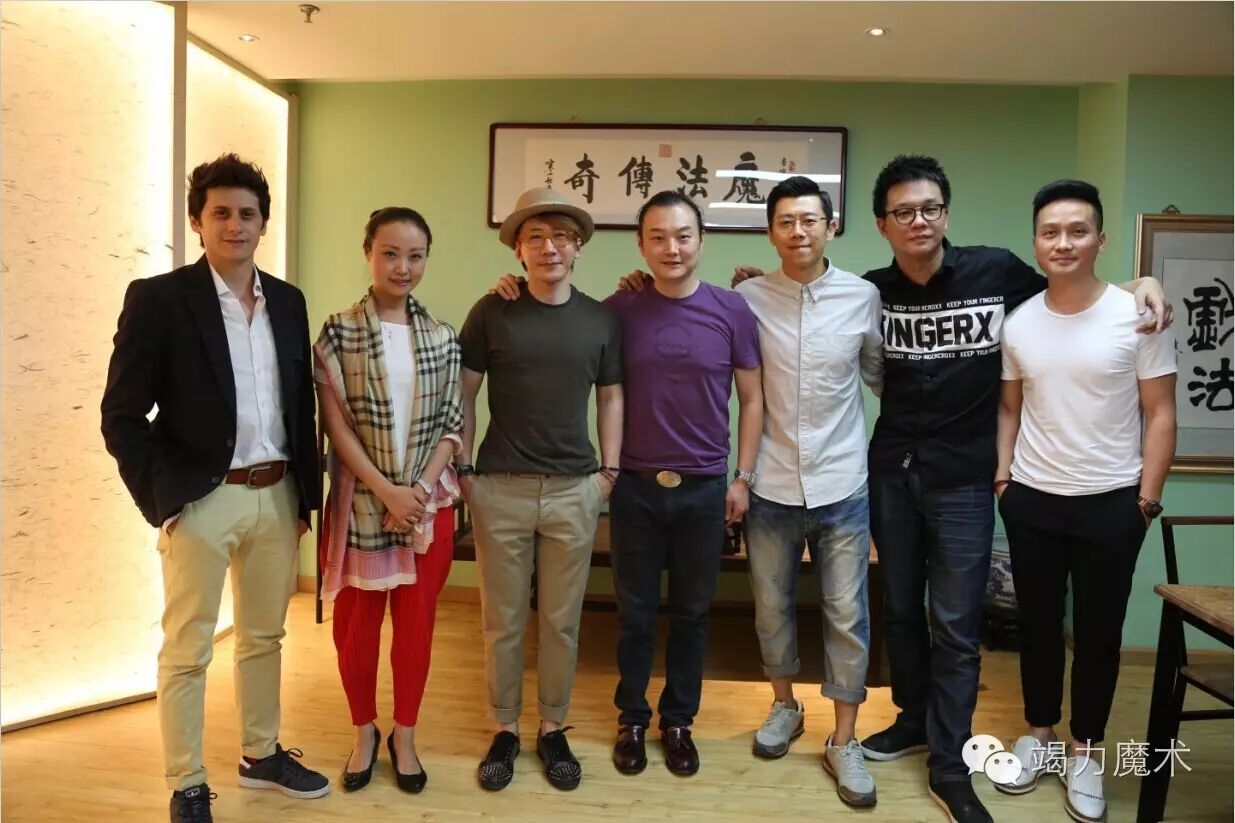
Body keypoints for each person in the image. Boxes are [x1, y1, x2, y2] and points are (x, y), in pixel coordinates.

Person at [731, 155, 1169, 823]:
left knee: (957, 624)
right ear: (882, 225)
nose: (918, 221)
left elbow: (1074, 282)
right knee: (900, 611)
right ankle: (913, 717)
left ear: (945, 214)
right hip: (892, 473)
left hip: (965, 478)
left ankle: (949, 757)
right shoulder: (870, 292)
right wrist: (748, 283)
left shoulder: (996, 273)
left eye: (929, 208)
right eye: (903, 212)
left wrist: (1144, 281)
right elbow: (812, 314)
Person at [615, 176, 884, 806]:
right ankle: (770, 707)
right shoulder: (738, 298)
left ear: (831, 226)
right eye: (786, 221)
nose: (798, 231)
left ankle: (837, 738)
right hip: (745, 483)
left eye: (809, 220)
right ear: (770, 232)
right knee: (763, 609)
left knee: (844, 614)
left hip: (832, 481)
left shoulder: (853, 297)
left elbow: (878, 376)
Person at [493, 189, 763, 777]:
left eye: (683, 236)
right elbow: (562, 317)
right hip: (635, 486)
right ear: (640, 245)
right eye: (657, 237)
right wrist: (508, 287)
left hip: (704, 487)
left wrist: (742, 478)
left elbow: (752, 399)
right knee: (635, 613)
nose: (672, 248)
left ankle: (679, 721)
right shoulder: (619, 308)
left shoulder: (732, 310)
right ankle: (633, 719)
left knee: (692, 613)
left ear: (701, 240)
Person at [101, 153, 329, 823]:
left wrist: (303, 500)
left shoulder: (288, 301)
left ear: (263, 222)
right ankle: (188, 780)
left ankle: (261, 755)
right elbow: (122, 416)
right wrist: (165, 501)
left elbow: (300, 406)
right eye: (221, 212)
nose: (236, 225)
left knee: (264, 637)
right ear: (197, 221)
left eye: (247, 213)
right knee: (188, 648)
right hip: (201, 498)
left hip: (276, 494)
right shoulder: (159, 299)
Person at [993, 180, 1176, 823]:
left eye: (1077, 230)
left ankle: (1085, 751)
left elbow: (1161, 413)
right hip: (1033, 499)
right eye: (1051, 232)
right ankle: (1040, 735)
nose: (1063, 242)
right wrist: (1003, 481)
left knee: (1098, 636)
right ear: (1035, 243)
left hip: (1112, 503)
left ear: (1100, 238)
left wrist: (1145, 502)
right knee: (1037, 627)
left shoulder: (1139, 314)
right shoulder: (1019, 322)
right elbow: (1010, 409)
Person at [458, 187, 624, 792]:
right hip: (499, 488)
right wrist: (465, 472)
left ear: (578, 247)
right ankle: (504, 728)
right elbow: (464, 393)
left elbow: (611, 397)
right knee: (501, 622)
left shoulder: (601, 319)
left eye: (560, 237)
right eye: (535, 237)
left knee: (561, 622)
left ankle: (552, 727)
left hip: (574, 489)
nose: (549, 247)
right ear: (518, 250)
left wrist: (609, 473)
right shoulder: (491, 311)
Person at [314, 207, 463, 795]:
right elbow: (336, 426)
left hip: (427, 509)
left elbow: (452, 424)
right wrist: (387, 491)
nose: (403, 267)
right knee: (355, 631)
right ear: (369, 253)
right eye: (391, 253)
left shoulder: (443, 337)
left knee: (416, 631)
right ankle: (363, 731)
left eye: (415, 256)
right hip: (361, 507)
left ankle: (405, 733)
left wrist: (418, 492)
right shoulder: (338, 332)